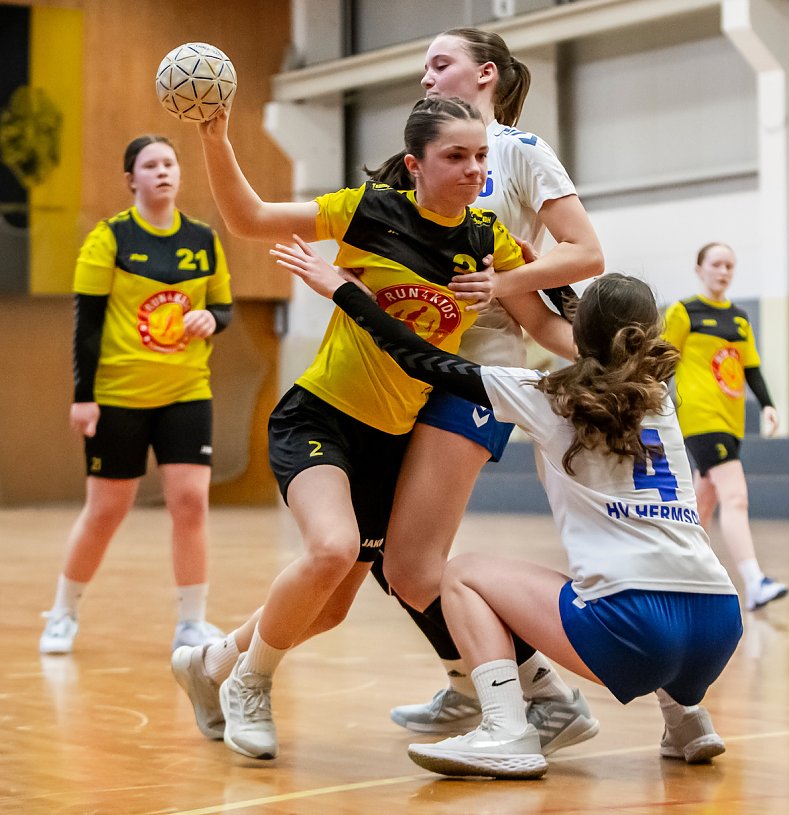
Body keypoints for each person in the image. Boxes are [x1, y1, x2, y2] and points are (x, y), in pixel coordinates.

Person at [171, 96, 577, 760]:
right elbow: (250, 218)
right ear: (415, 165)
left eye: (481, 157)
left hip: (391, 438)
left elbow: (541, 320)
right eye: (456, 157)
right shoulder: (369, 211)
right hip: (321, 415)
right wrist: (217, 137)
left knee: (328, 606)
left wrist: (607, 359)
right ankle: (249, 681)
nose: (475, 170)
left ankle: (208, 663)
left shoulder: (486, 239)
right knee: (329, 548)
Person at [273, 243, 744, 779]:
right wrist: (538, 276)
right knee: (656, 573)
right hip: (718, 622)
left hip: (634, 629)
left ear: (579, 334)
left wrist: (343, 292)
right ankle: (687, 721)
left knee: (458, 574)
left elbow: (416, 354)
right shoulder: (662, 397)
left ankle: (505, 731)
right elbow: (602, 337)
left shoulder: (543, 394)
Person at [373, 27, 605, 754]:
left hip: (479, 370)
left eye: (439, 62)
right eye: (423, 63)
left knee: (408, 562)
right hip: (404, 369)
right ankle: (500, 687)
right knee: (386, 552)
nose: (425, 73)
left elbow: (587, 251)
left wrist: (505, 282)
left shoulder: (519, 152)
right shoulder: (418, 159)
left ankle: (523, 697)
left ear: (486, 75)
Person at [39, 135, 233, 655]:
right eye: (151, 166)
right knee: (106, 510)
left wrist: (210, 317)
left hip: (186, 391)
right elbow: (87, 325)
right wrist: (83, 396)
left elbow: (224, 309)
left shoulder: (204, 239)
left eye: (170, 163)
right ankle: (63, 611)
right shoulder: (109, 239)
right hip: (119, 395)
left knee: (191, 503)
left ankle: (192, 622)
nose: (162, 172)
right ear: (132, 180)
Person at [663, 243, 788, 612]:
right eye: (716, 264)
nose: (723, 271)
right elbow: (664, 361)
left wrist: (767, 404)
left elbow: (751, 368)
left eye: (729, 265)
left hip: (731, 421)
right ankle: (754, 582)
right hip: (700, 416)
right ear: (699, 268)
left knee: (703, 503)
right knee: (735, 496)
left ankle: (679, 580)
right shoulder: (684, 311)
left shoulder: (739, 318)